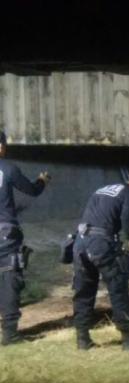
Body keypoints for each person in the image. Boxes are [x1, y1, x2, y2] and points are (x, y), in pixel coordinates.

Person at [72, 175, 129, 350]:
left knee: (83, 290)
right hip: (101, 243)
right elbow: (127, 216)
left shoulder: (102, 189)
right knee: (118, 288)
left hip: (80, 242)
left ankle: (82, 339)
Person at [0, 130, 50, 346]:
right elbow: (32, 190)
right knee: (10, 277)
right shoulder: (8, 168)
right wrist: (42, 181)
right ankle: (10, 334)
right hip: (4, 233)